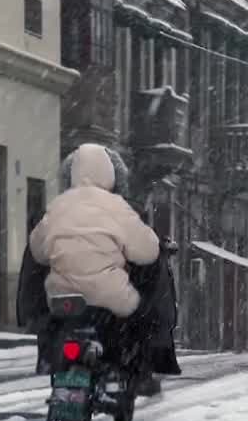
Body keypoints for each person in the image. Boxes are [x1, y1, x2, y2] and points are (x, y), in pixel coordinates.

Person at [23, 144, 179, 381]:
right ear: (110, 174)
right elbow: (147, 252)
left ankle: (58, 365)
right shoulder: (117, 207)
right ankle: (130, 373)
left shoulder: (57, 208)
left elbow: (37, 250)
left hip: (62, 300)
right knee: (137, 320)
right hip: (109, 297)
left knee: (58, 326)